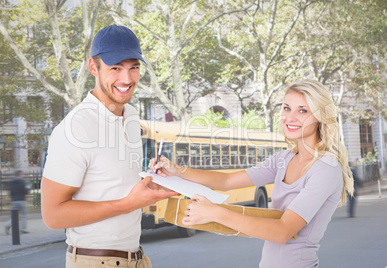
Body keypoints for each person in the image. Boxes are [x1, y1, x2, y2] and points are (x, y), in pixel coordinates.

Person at [150, 79, 355, 267]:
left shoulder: (326, 168)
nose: (290, 117)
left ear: (320, 117)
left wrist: (215, 212)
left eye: (302, 111)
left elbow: (283, 231)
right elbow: (227, 180)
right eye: (286, 108)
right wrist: (178, 171)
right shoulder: (283, 159)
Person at [41, 25, 177, 268]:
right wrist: (128, 204)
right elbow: (52, 215)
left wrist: (149, 180)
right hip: (94, 261)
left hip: (137, 258)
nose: (126, 79)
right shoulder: (75, 128)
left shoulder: (132, 116)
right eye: (115, 68)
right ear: (94, 67)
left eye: (133, 68)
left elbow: (113, 182)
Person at [5, 170, 29, 235]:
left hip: (14, 200)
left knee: (14, 215)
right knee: (24, 215)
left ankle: (8, 225)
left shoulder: (11, 182)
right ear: (20, 175)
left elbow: (10, 192)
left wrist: (12, 199)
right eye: (22, 174)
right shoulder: (22, 182)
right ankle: (23, 229)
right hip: (21, 200)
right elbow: (25, 192)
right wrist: (28, 188)